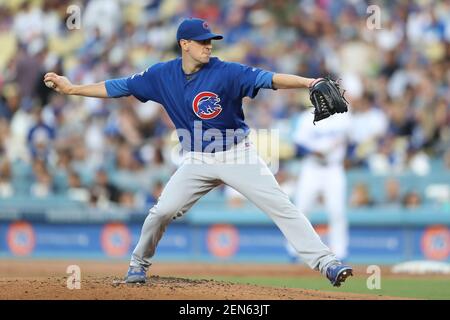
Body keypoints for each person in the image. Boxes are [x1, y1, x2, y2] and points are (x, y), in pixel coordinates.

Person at [43, 18, 352, 287]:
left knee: (283, 207)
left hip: (237, 153)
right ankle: (138, 263)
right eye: (203, 41)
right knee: (161, 212)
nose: (209, 46)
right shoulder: (161, 75)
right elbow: (117, 86)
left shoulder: (227, 72)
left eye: (211, 41)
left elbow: (269, 79)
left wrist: (309, 82)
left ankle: (327, 263)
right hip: (197, 159)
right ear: (184, 44)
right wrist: (72, 89)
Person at [291, 109, 352, 261]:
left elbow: (352, 142)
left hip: (334, 168)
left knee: (337, 212)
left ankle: (340, 253)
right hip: (312, 167)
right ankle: (294, 252)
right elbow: (298, 146)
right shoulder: (307, 117)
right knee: (301, 209)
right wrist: (314, 152)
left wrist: (349, 157)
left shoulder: (343, 117)